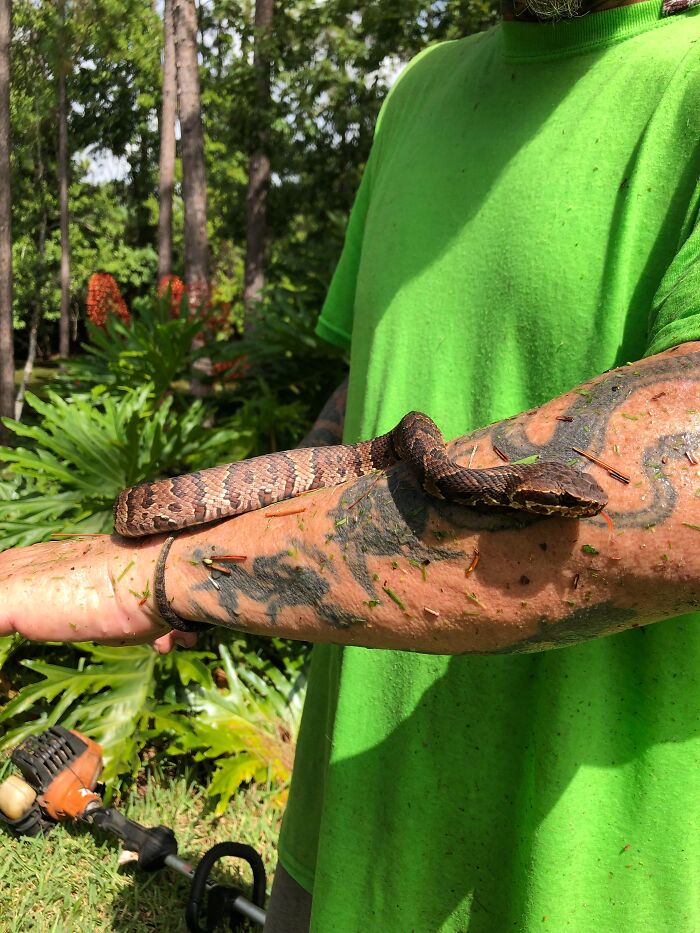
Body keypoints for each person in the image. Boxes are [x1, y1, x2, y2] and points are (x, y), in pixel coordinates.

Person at [2, 0, 700, 928]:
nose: (566, 498)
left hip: (586, 877)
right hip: (344, 831)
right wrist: (221, 518)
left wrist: (178, 576)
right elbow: (361, 406)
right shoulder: (417, 89)